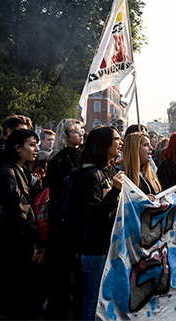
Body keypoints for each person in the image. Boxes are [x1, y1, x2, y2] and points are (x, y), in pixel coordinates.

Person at [0, 129, 43, 319]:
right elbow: (20, 210)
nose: (36, 149)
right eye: (32, 144)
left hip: (15, 242)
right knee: (12, 299)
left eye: (36, 144)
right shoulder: (7, 173)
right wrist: (35, 239)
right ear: (18, 148)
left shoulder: (21, 170)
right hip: (8, 245)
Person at [70, 126, 124, 320]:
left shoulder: (109, 172)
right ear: (103, 144)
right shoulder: (89, 176)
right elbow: (93, 213)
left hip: (107, 246)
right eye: (116, 139)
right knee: (93, 300)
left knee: (105, 298)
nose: (121, 143)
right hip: (93, 248)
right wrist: (116, 192)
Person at [45, 118, 85, 320]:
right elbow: (57, 193)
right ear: (66, 135)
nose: (81, 134)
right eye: (76, 131)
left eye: (81, 131)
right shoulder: (58, 160)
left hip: (80, 223)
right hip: (63, 223)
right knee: (61, 276)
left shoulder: (84, 156)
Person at [119, 132, 162, 198]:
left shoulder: (149, 171)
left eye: (150, 144)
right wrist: (142, 200)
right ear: (135, 149)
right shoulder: (120, 172)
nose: (151, 148)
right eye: (145, 145)